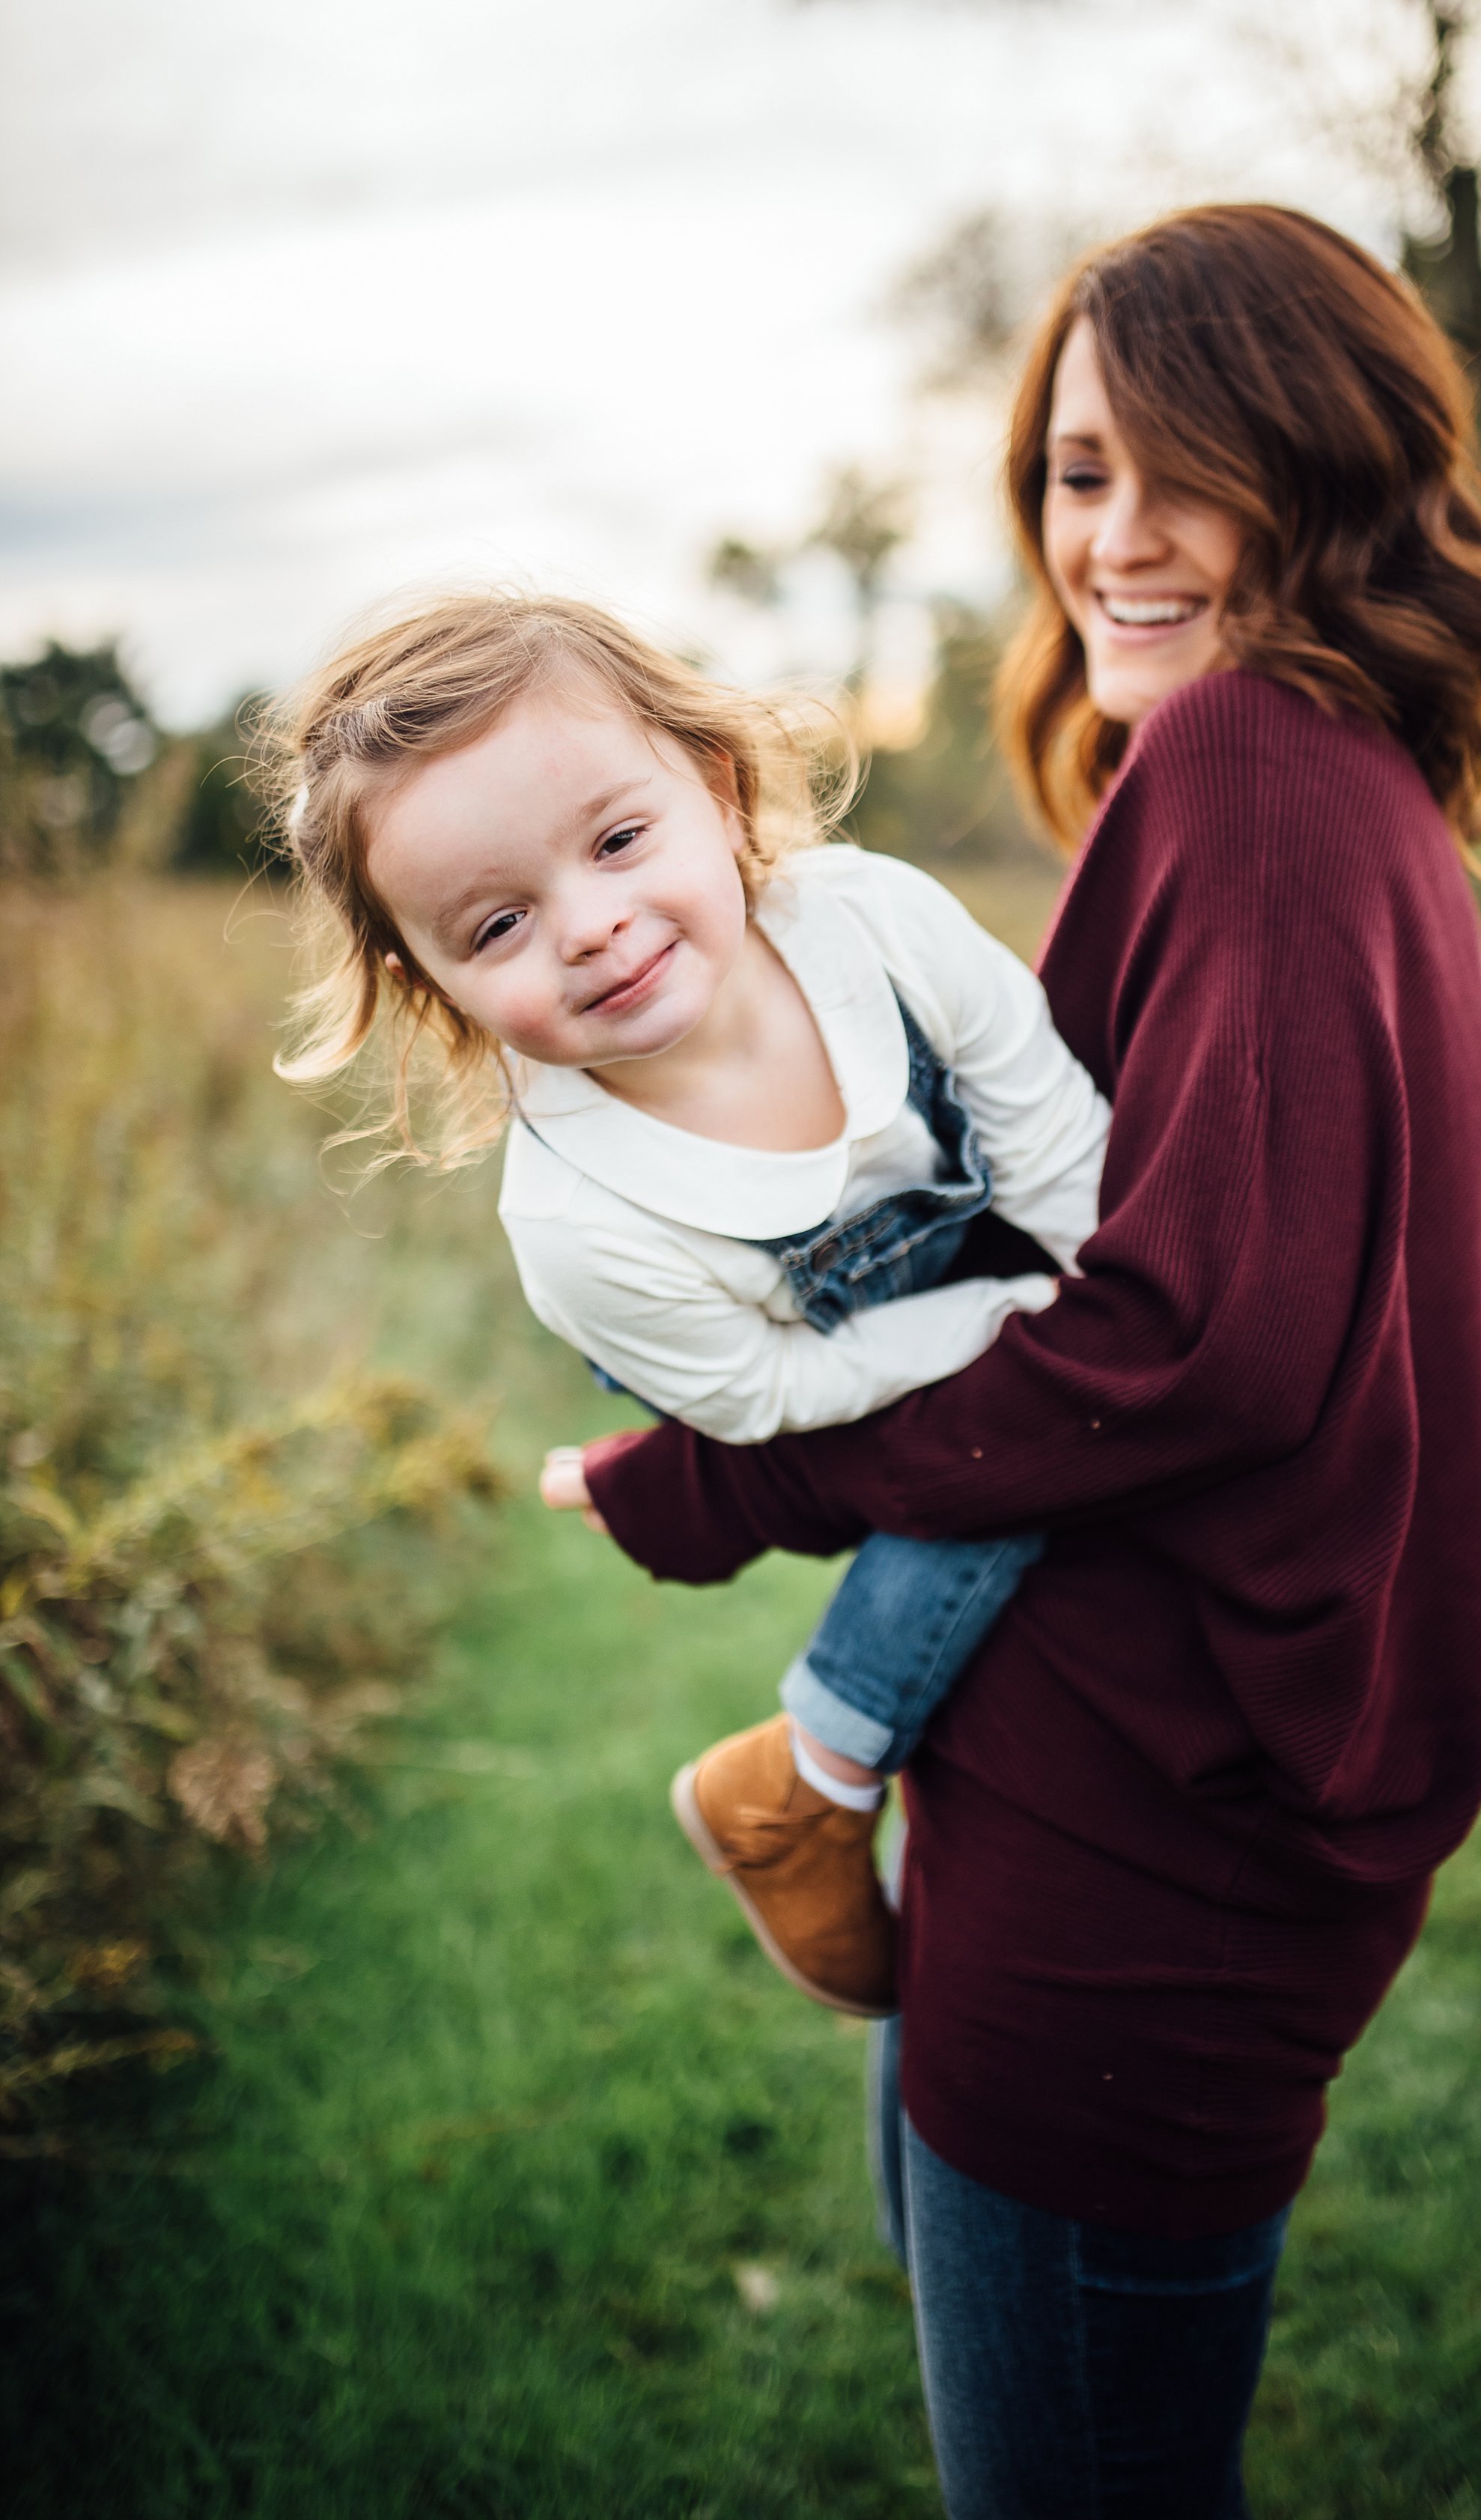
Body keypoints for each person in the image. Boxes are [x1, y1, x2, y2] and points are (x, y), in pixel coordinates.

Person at [574, 204, 1481, 2518]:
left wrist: (733, 1480)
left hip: (1157, 1850)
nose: (1114, 536)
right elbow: (1129, 1248)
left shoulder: (1261, 770)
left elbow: (1188, 1338)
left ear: (1332, 468)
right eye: (1077, 470)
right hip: (1097, 1791)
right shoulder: (1310, 777)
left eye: (1182, 467)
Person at [263, 592, 1112, 2017]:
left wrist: (1111, 1301)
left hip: (1014, 1259)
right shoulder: (584, 1227)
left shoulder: (876, 924)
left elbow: (1038, 1110)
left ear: (713, 788)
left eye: (616, 841)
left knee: (1079, 1431)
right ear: (434, 984)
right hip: (804, 1373)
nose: (591, 927)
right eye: (500, 923)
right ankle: (813, 1777)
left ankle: (823, 1760)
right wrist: (1017, 1339)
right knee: (989, 1468)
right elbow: (766, 1396)